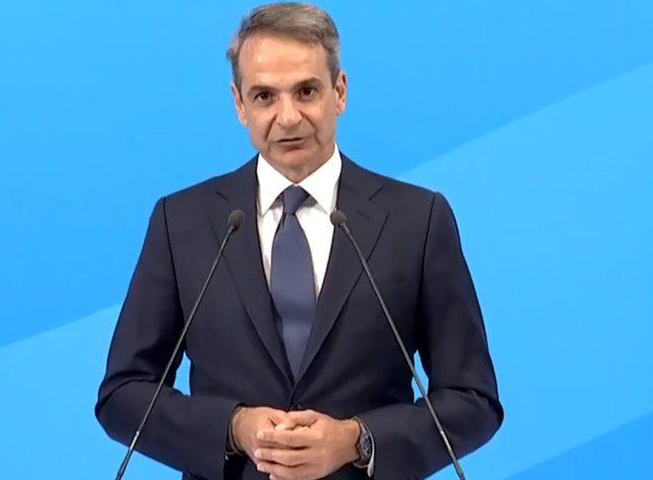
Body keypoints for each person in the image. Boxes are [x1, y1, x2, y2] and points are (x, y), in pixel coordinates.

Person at [95, 3, 503, 479]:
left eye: (306, 91)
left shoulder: (418, 220)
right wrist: (233, 428)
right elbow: (123, 394)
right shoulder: (182, 222)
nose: (288, 117)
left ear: (339, 92)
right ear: (239, 105)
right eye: (265, 96)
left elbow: (473, 399)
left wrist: (357, 440)